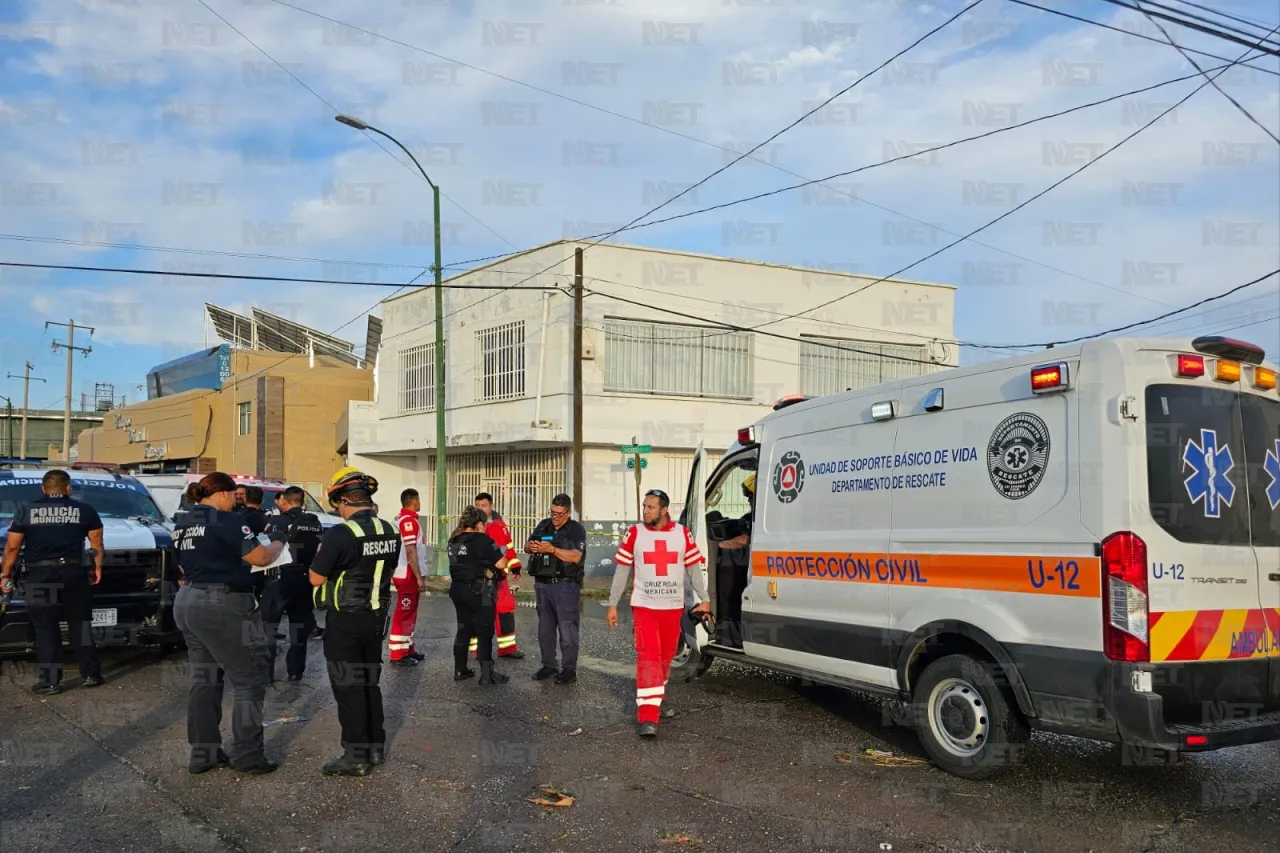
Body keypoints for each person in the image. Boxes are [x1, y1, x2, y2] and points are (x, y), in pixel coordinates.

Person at [172, 472, 288, 774]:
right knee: (249, 680)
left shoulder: (183, 521)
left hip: (187, 600)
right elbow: (261, 557)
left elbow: (181, 563)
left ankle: (203, 754)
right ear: (222, 493)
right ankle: (248, 756)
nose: (236, 501)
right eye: (234, 495)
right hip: (223, 603)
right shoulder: (226, 521)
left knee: (204, 680)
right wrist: (278, 542)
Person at [308, 467, 400, 777]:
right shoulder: (390, 529)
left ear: (342, 500)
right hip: (376, 619)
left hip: (346, 620)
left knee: (348, 689)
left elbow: (315, 577)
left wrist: (323, 555)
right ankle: (375, 748)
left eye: (337, 504)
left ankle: (355, 755)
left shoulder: (340, 534)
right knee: (369, 684)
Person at [606, 489, 710, 738]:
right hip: (645, 607)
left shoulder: (682, 534)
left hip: (672, 607)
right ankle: (648, 716)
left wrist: (704, 599)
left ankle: (656, 700)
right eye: (644, 506)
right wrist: (612, 604)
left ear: (664, 510)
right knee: (649, 658)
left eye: (651, 507)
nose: (645, 511)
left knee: (664, 659)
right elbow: (622, 570)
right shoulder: (635, 533)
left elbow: (694, 569)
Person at [0, 469, 105, 695]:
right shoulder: (85, 509)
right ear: (68, 488)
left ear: (43, 488)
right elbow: (96, 543)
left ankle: (50, 682)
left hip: (40, 574)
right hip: (74, 572)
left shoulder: (26, 510)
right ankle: (91, 674)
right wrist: (97, 567)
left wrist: (5, 575)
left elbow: (12, 546)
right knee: (81, 623)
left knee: (46, 627)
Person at [261, 486, 324, 684]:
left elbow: (266, 546)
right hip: (305, 578)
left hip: (280, 578)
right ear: (302, 501)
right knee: (299, 628)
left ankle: (266, 674)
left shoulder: (277, 521)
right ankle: (296, 671)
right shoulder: (314, 521)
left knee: (269, 626)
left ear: (285, 502)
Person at [525, 493, 587, 685]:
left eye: (559, 514)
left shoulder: (576, 530)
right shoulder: (544, 525)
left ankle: (569, 669)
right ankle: (549, 665)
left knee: (567, 629)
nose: (555, 517)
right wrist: (532, 547)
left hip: (565, 585)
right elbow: (527, 546)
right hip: (543, 584)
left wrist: (552, 550)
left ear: (568, 512)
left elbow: (576, 556)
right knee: (545, 628)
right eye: (553, 512)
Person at [447, 506, 511, 684]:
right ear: (479, 524)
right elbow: (501, 564)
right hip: (479, 590)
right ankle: (487, 675)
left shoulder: (454, 540)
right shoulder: (482, 540)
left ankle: (460, 670)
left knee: (463, 629)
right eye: (483, 524)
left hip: (458, 590)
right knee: (485, 632)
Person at [469, 492, 524, 660]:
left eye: (483, 505)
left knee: (505, 609)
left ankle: (507, 648)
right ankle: (476, 650)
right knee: (480, 612)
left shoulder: (500, 524)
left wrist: (514, 565)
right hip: (481, 578)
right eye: (477, 506)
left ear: (491, 506)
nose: (480, 509)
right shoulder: (472, 526)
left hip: (499, 577)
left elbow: (508, 547)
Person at [713, 474, 755, 648]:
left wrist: (720, 545)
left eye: (751, 497)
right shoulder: (749, 517)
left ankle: (732, 636)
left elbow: (744, 539)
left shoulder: (755, 518)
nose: (748, 500)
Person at [389, 488, 428, 667]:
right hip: (407, 573)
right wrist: (419, 577)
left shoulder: (400, 520)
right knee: (404, 613)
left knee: (410, 612)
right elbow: (411, 550)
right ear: (414, 501)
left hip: (403, 572)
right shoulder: (408, 522)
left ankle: (408, 648)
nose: (420, 503)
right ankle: (398, 653)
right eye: (419, 500)